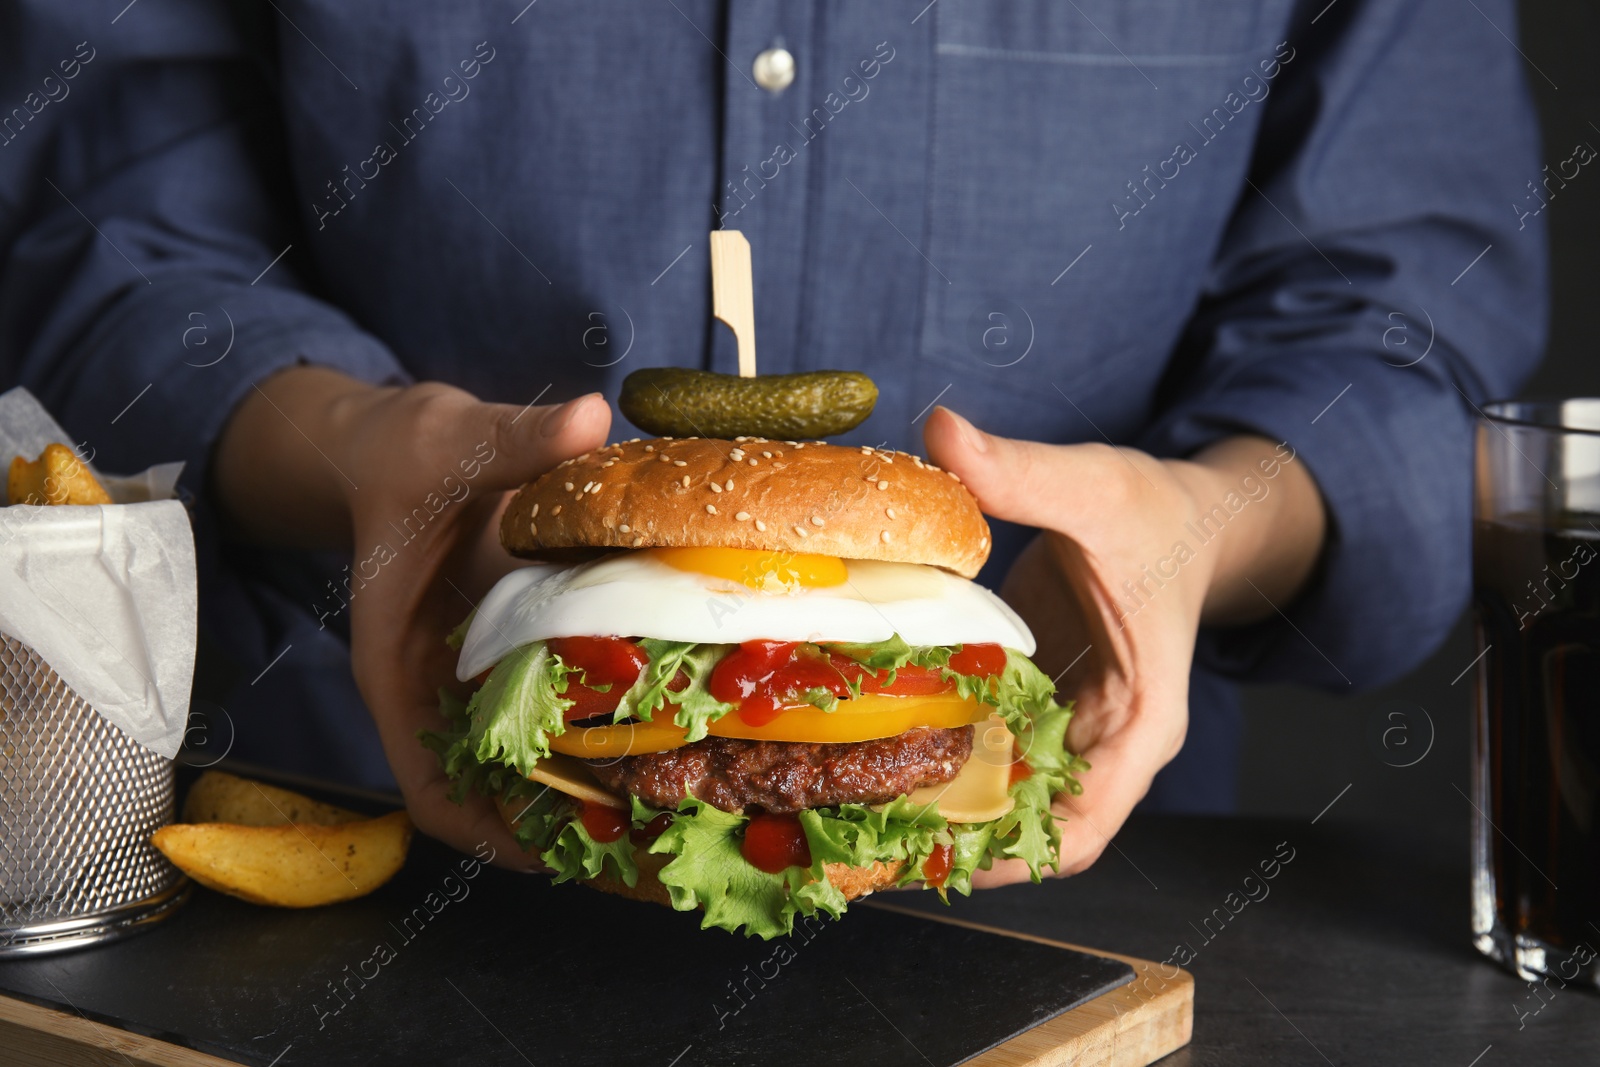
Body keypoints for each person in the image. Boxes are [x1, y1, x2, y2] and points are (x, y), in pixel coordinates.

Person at [0, 2, 1546, 880]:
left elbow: (1396, 321)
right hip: (365, 858)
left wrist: (1209, 520)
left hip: (1093, 909)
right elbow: (105, 218)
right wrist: (353, 448)